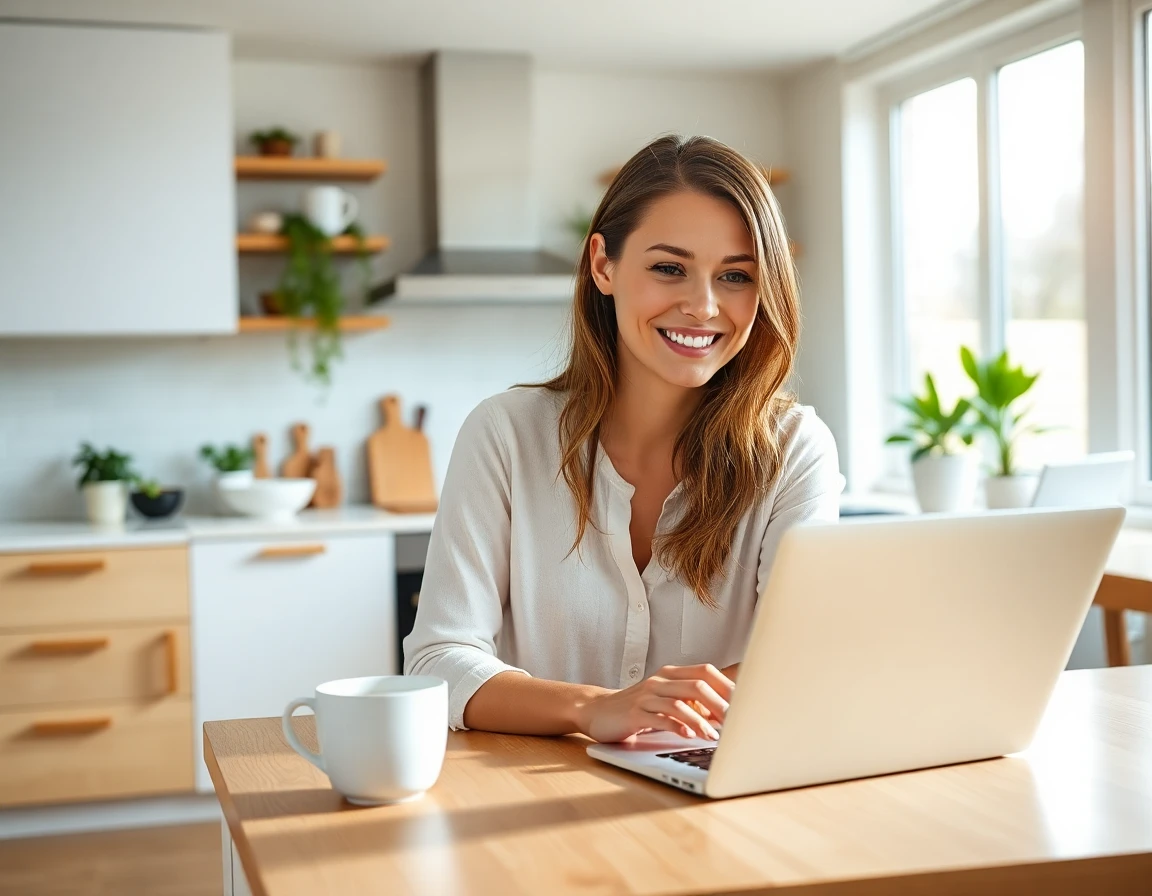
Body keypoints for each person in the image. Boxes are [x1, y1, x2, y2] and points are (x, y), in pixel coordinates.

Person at [404, 133, 844, 744]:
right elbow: (439, 659)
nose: (703, 305)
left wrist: (665, 711)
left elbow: (803, 657)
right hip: (533, 796)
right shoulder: (505, 434)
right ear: (603, 265)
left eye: (737, 276)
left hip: (712, 792)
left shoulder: (794, 448)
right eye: (670, 268)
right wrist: (593, 708)